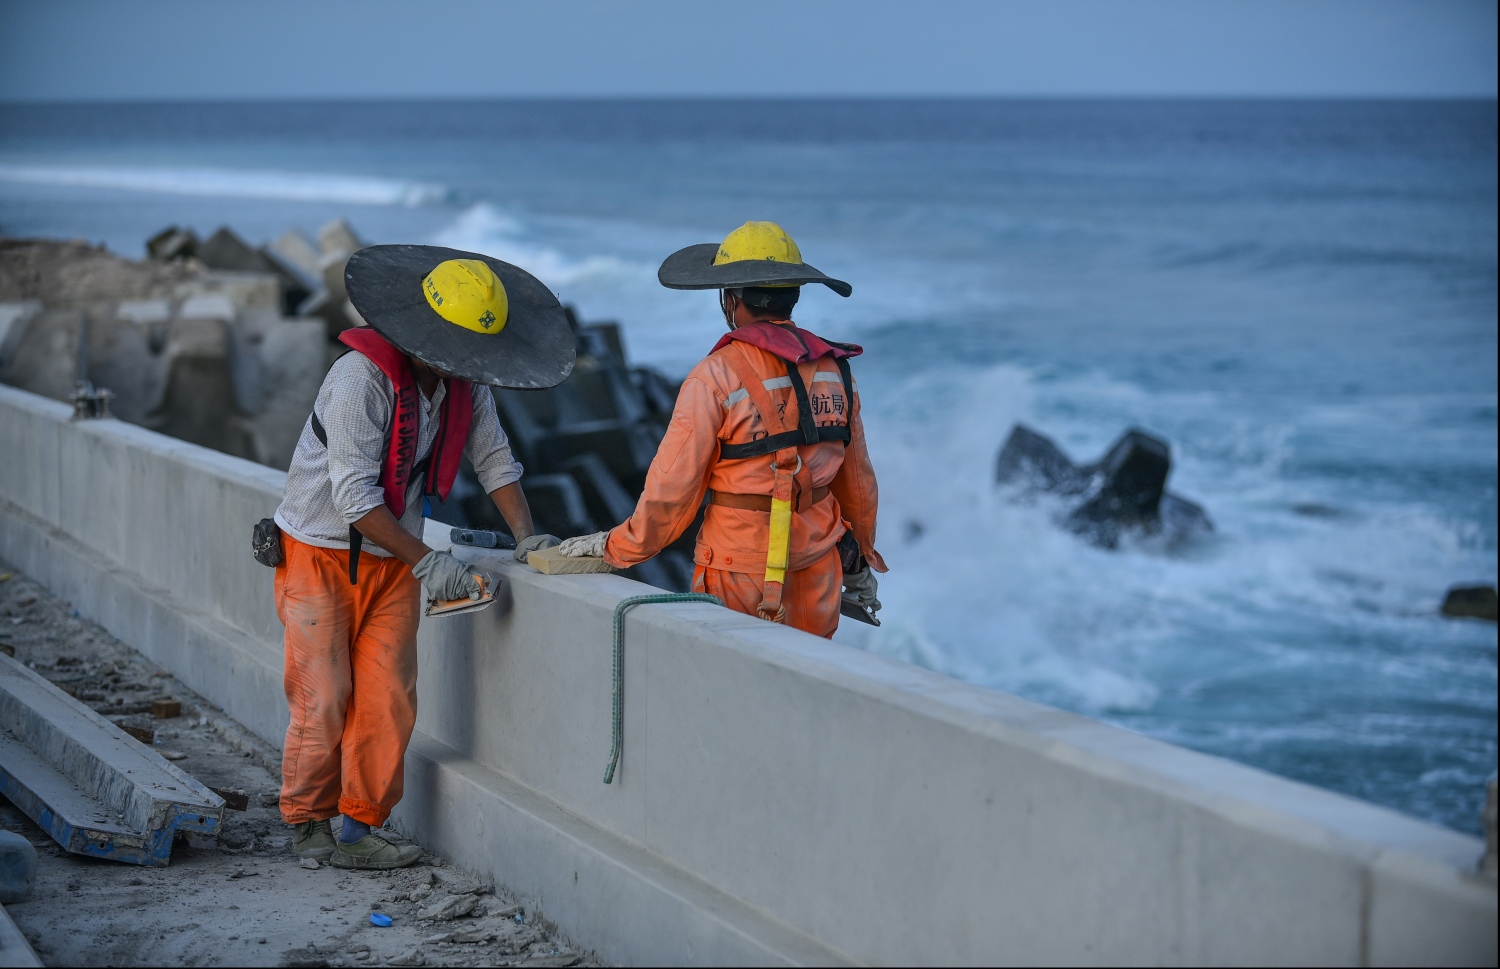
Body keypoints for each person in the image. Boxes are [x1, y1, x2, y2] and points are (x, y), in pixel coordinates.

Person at [266, 246, 572, 868]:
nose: (464, 363)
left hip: (393, 558)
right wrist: (430, 561)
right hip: (320, 553)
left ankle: (358, 828)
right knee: (323, 697)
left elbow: (494, 459)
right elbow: (356, 500)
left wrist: (526, 536)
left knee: (389, 698)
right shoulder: (359, 381)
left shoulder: (461, 386)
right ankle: (306, 821)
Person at [556, 222, 885, 637]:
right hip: (820, 565)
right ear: (794, 295)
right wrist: (860, 561)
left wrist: (616, 547)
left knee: (735, 693)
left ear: (731, 299)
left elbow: (672, 491)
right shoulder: (837, 372)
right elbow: (858, 483)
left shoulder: (714, 377)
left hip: (738, 570)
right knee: (802, 687)